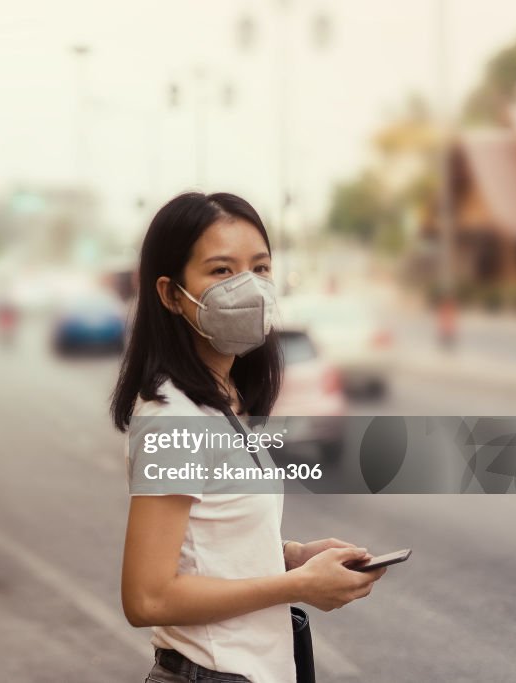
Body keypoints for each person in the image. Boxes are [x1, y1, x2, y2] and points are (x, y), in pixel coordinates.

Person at [112, 193, 387, 683]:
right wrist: (297, 585)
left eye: (260, 268)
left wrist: (291, 556)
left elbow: (205, 541)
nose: (250, 287)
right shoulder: (173, 417)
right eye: (221, 271)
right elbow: (147, 597)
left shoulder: (223, 398)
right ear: (171, 294)